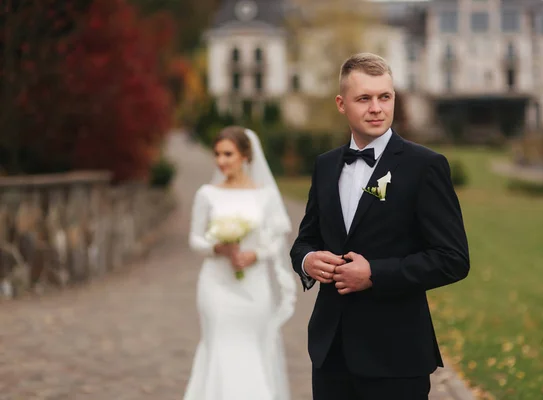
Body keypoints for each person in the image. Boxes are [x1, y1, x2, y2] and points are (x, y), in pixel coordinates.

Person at [290, 52, 470, 399]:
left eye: (384, 97)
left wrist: (374, 273)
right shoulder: (326, 166)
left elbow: (453, 259)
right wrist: (307, 261)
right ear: (342, 104)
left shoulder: (426, 166)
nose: (376, 108)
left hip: (396, 357)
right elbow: (305, 239)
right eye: (364, 98)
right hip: (331, 354)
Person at [183, 126, 296, 400]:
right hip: (216, 285)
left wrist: (255, 255)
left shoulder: (265, 196)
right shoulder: (207, 194)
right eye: (217, 154)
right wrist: (218, 247)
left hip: (254, 286)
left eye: (228, 154)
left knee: (251, 349)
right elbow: (195, 239)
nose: (221, 161)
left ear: (246, 155)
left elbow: (277, 238)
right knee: (219, 346)